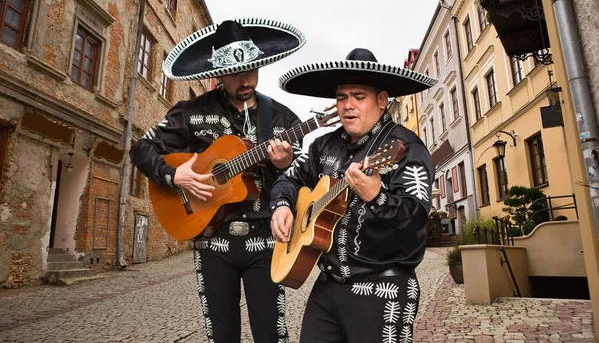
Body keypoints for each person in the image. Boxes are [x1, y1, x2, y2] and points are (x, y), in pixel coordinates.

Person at [130, 19, 306, 343]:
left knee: (271, 334)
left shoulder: (281, 117)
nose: (246, 79)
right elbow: (140, 149)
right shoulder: (189, 112)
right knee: (221, 335)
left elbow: (300, 178)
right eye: (236, 72)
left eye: (252, 70)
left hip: (265, 240)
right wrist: (173, 175)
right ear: (218, 73)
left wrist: (285, 163)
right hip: (211, 239)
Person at [270, 48, 437, 343]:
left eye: (358, 96)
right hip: (328, 285)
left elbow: (415, 218)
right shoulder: (323, 146)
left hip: (383, 288)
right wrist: (282, 207)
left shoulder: (407, 147)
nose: (348, 105)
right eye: (341, 97)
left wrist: (377, 197)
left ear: (382, 101)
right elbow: (290, 178)